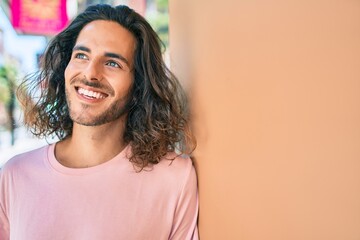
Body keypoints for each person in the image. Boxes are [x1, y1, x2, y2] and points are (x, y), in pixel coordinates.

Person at [0, 4, 198, 240]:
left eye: (112, 63)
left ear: (139, 86)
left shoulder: (174, 178)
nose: (90, 73)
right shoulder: (15, 175)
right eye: (81, 56)